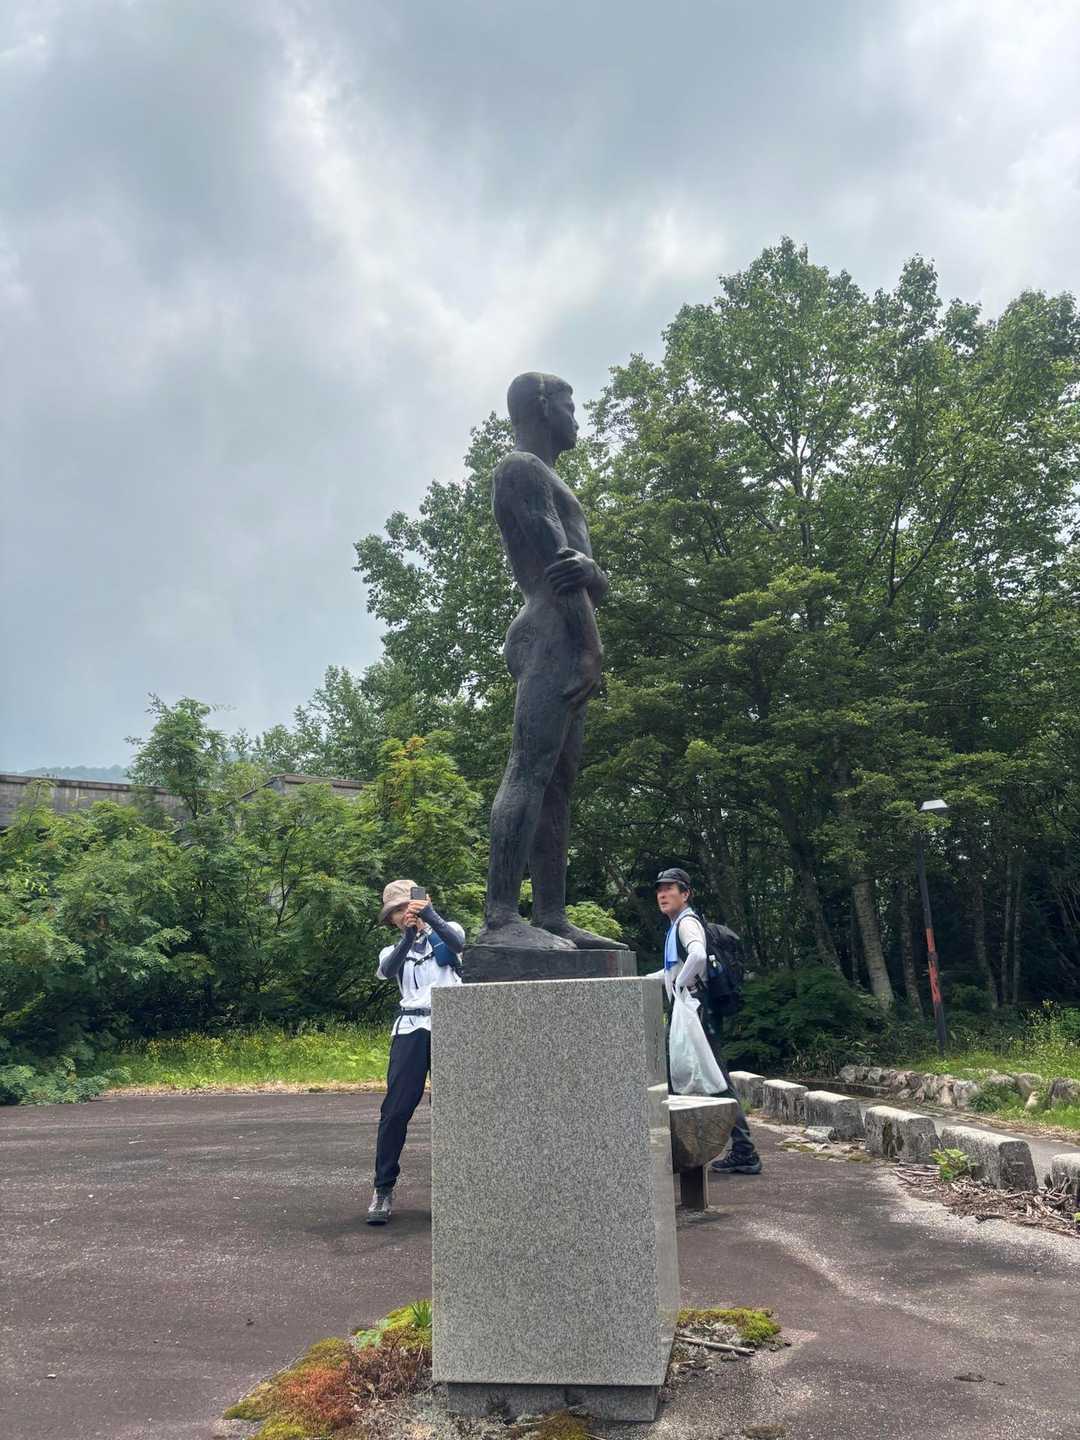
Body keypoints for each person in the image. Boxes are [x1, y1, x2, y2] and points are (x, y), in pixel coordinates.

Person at [476, 371, 624, 951]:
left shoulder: (551, 479)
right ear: (543, 406)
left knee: (558, 783)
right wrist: (590, 647)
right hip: (551, 633)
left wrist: (595, 576)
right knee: (529, 768)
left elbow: (589, 579)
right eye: (569, 405)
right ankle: (500, 918)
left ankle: (552, 916)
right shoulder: (521, 470)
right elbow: (562, 570)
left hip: (565, 630)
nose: (576, 418)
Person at [367, 878, 465, 1224]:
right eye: (395, 911)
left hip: (451, 1025)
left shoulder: (449, 929)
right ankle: (383, 1188)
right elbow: (387, 971)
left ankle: (455, 1190)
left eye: (406, 906)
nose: (402, 914)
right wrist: (409, 936)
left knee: (452, 1111)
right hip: (410, 1027)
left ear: (423, 902)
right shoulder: (391, 950)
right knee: (395, 1110)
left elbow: (456, 947)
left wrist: (430, 918)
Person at [655, 867, 762, 1176]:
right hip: (694, 1009)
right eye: (659, 889)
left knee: (713, 1080)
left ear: (685, 893)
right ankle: (690, 1150)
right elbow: (673, 971)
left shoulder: (686, 923)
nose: (662, 894)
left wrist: (679, 986)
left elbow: (698, 957)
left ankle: (743, 1151)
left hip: (696, 1010)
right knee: (687, 1076)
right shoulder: (677, 925)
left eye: (670, 888)